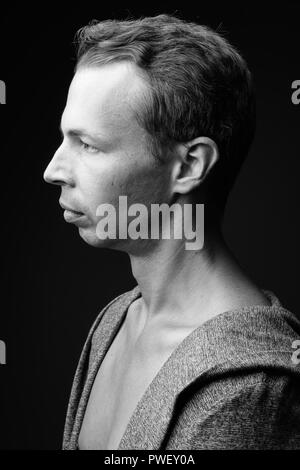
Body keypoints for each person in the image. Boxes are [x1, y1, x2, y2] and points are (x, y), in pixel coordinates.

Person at [43, 14, 300, 450]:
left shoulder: (249, 385)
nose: (53, 171)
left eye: (88, 145)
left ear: (189, 166)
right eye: (65, 139)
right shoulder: (116, 321)